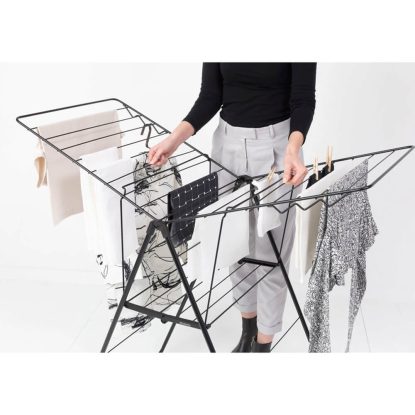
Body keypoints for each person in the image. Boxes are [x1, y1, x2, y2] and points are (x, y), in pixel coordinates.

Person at [148, 63, 317, 352]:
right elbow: (210, 96)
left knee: (271, 251)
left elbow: (302, 98)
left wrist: (293, 150)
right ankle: (247, 332)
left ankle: (263, 344)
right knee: (234, 245)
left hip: (279, 148)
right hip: (227, 147)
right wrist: (173, 141)